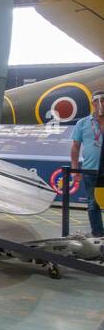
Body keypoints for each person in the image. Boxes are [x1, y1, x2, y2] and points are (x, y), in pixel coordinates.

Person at [69, 91, 104, 238]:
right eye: (99, 100)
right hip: (90, 170)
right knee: (93, 203)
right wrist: (75, 169)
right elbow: (75, 147)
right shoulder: (82, 123)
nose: (102, 103)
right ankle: (98, 234)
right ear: (93, 103)